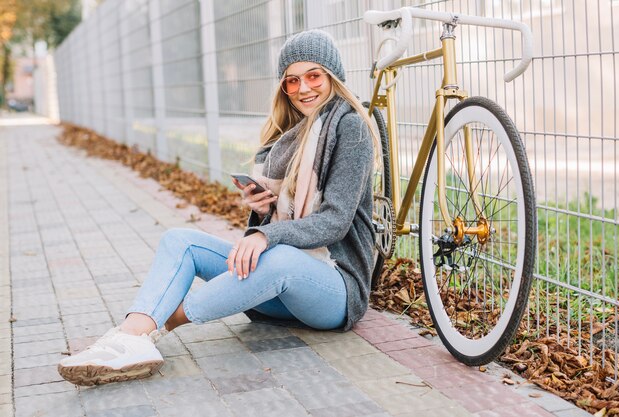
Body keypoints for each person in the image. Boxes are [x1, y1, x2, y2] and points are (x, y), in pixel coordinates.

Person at [57, 29, 378, 386]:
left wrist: (264, 234)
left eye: (314, 76)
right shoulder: (292, 136)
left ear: (333, 76)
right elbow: (280, 223)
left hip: (336, 290)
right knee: (180, 241)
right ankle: (131, 334)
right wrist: (261, 210)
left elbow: (334, 222)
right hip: (282, 291)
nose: (304, 88)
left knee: (276, 256)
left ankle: (151, 331)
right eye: (292, 81)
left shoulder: (353, 128)